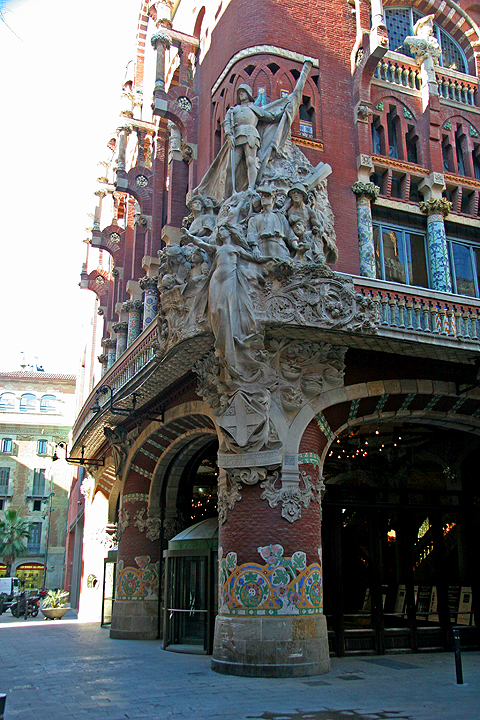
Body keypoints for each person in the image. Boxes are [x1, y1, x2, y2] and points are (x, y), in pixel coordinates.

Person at [247, 185, 298, 260]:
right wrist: (255, 249)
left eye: (266, 196)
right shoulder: (254, 218)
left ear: (273, 199)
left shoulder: (280, 217)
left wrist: (296, 246)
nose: (263, 198)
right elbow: (251, 234)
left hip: (279, 248)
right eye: (262, 196)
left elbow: (290, 234)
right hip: (262, 249)